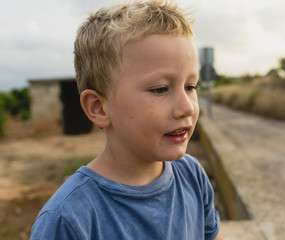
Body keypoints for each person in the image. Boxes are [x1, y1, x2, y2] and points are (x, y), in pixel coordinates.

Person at [31, 0, 223, 239]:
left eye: (190, 86)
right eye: (161, 89)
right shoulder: (68, 219)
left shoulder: (192, 175)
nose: (187, 107)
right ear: (99, 107)